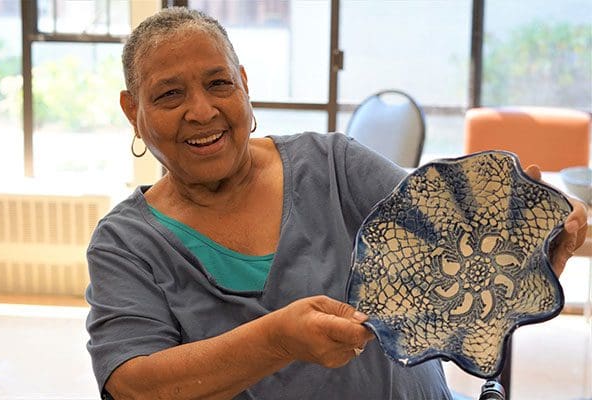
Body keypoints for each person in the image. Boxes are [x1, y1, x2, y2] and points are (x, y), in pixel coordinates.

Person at [85, 7, 589, 400]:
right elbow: (134, 385)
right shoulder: (126, 243)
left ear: (244, 84)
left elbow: (448, 236)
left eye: (219, 83)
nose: (202, 110)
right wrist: (277, 340)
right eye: (169, 95)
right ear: (134, 111)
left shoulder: (331, 164)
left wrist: (526, 245)